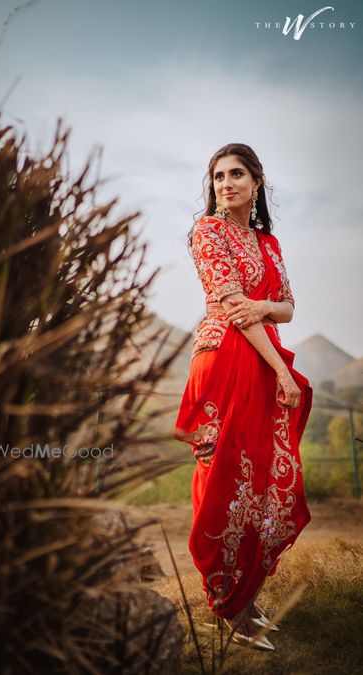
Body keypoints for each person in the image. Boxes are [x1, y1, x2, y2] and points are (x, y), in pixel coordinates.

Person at [173, 143, 313, 652]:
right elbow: (234, 307)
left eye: (236, 174)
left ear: (257, 182)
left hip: (262, 361)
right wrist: (283, 371)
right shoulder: (207, 232)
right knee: (224, 478)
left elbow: (289, 309)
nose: (225, 184)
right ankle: (225, 604)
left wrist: (265, 306)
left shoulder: (269, 242)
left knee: (265, 478)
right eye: (217, 176)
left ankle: (245, 593)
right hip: (226, 364)